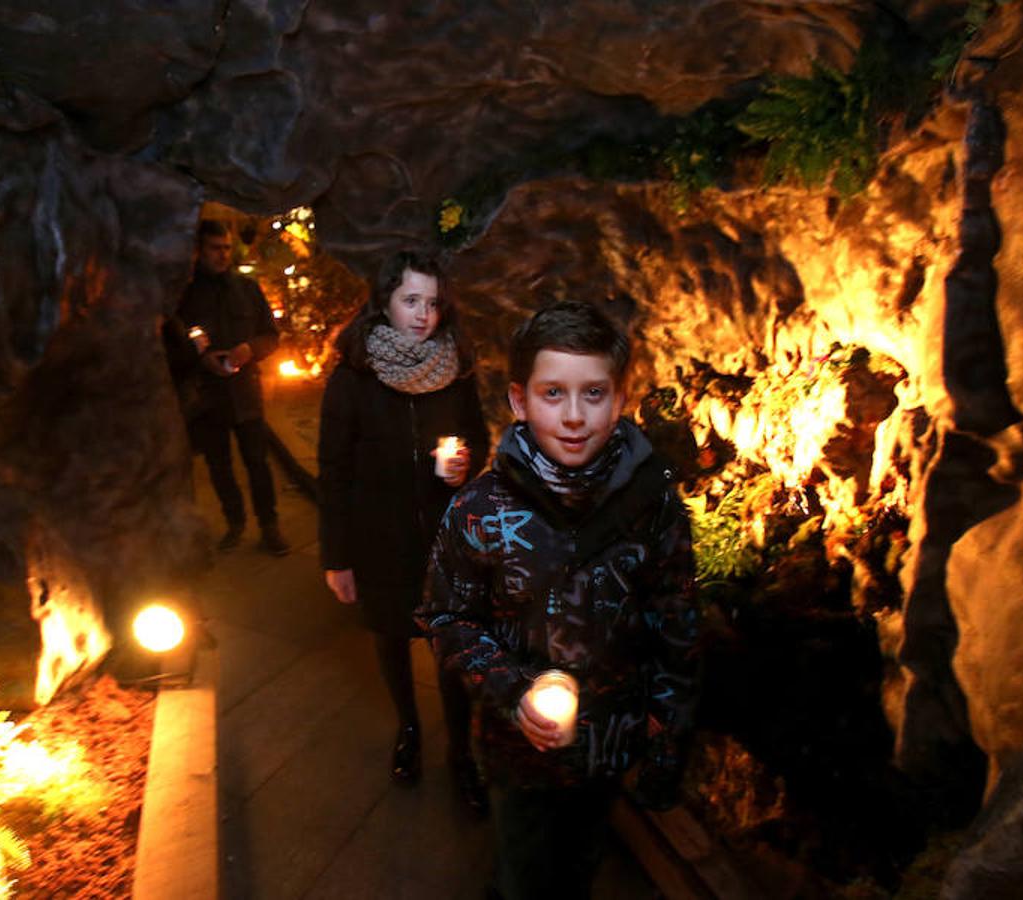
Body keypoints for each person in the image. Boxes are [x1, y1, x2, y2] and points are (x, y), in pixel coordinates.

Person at [417, 300, 700, 899]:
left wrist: (666, 733)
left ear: (620, 397)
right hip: (517, 752)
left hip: (610, 740)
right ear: (519, 401)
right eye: (553, 394)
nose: (574, 416)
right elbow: (448, 618)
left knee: (579, 867)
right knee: (522, 873)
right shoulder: (479, 511)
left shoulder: (654, 507)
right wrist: (510, 688)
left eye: (593, 394)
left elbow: (676, 619)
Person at [317, 250, 490, 810]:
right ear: (385, 301)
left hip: (445, 543)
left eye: (433, 302)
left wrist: (466, 462)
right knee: (392, 640)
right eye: (411, 300)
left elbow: (476, 438)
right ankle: (409, 730)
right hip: (379, 542)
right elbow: (333, 470)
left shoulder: (455, 373)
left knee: (452, 650)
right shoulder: (353, 379)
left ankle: (461, 754)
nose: (423, 314)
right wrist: (337, 557)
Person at [176, 219, 289, 556]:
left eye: (226, 248)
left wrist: (249, 349)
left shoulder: (247, 288)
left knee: (257, 462)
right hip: (207, 397)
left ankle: (269, 526)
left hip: (245, 394)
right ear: (199, 250)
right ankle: (235, 522)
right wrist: (202, 358)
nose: (223, 255)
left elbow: (271, 335)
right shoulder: (185, 295)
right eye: (215, 248)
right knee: (219, 466)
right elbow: (175, 341)